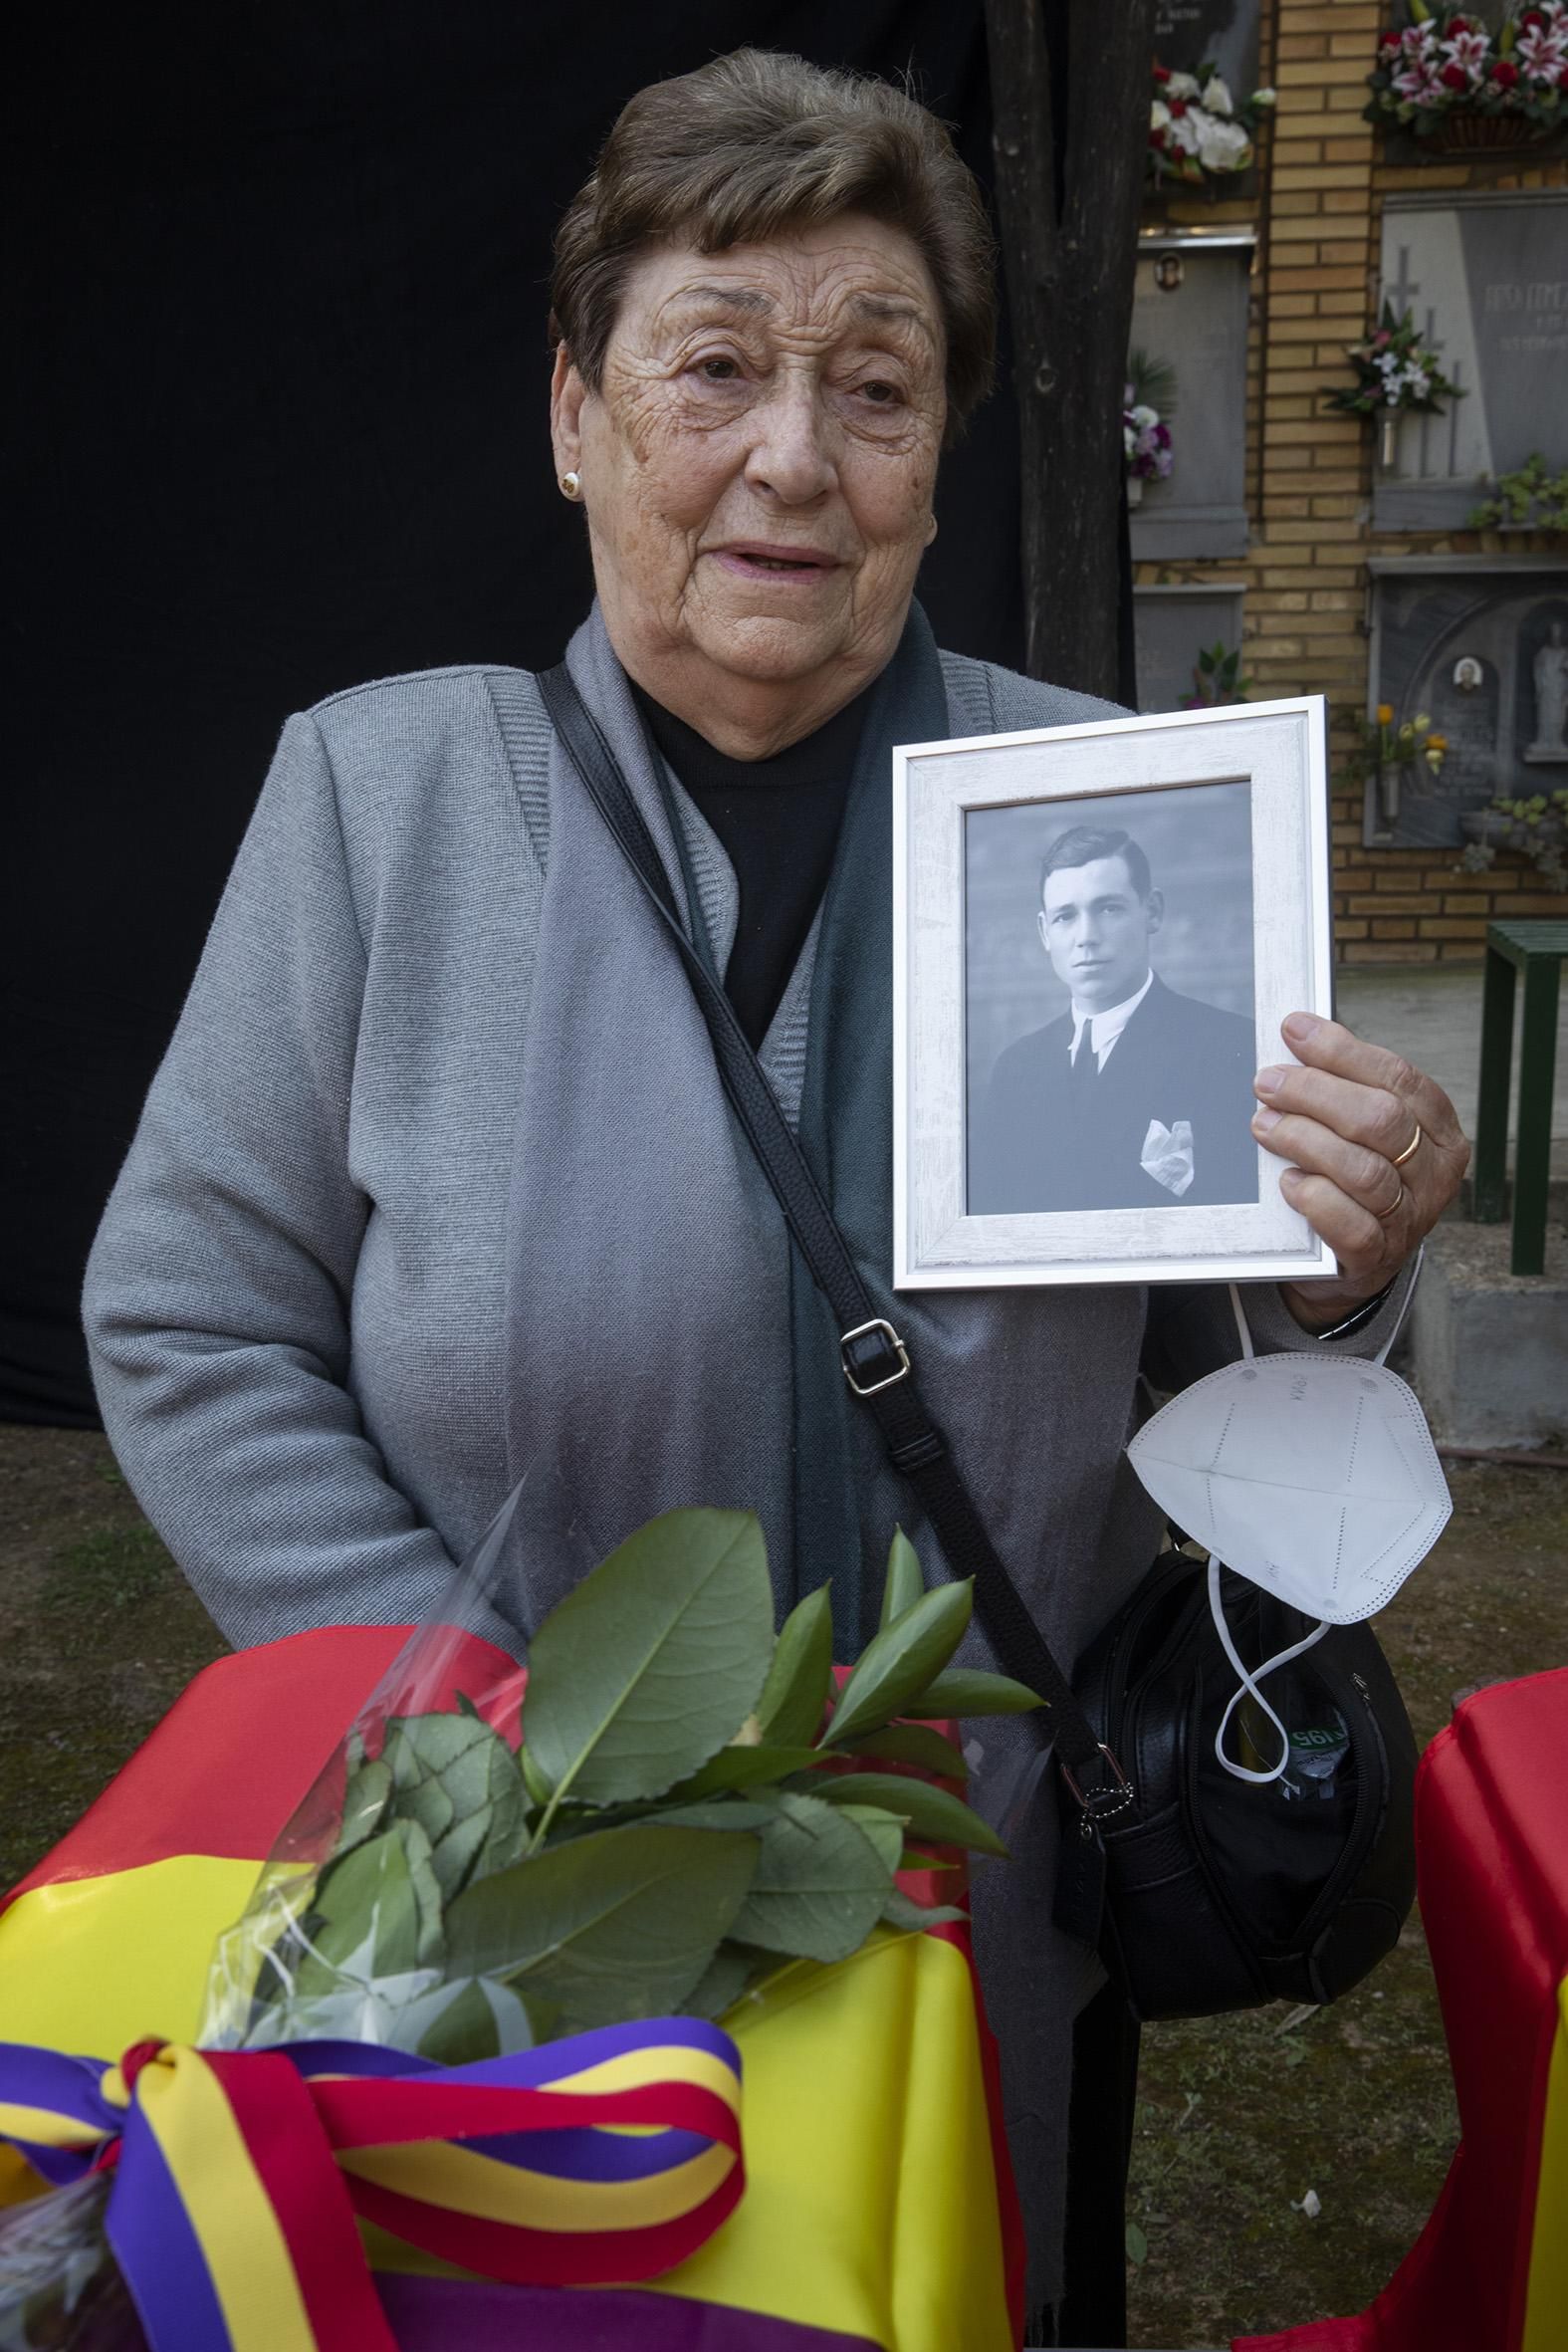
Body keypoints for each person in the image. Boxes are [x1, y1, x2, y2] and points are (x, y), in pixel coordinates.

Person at [82, 50, 1469, 2343]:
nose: (793, 455)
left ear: (940, 458)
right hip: (502, 1892)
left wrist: (1342, 1278)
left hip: (980, 1898)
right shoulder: (379, 801)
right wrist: (454, 1716)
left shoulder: (1099, 815)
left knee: (942, 2277)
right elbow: (193, 1308)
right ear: (575, 415)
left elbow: (1232, 1367)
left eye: (878, 386)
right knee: (536, 2282)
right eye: (714, 365)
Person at [971, 822, 1259, 1214]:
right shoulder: (1016, 1068)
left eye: (1108, 908)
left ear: (1152, 912)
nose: (1086, 935)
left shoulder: (1232, 1048)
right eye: (1065, 916)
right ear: (1044, 932)